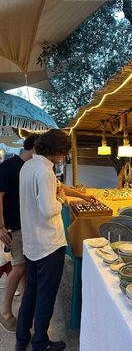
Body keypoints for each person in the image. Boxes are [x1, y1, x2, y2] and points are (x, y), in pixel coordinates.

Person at [16, 129, 71, 351]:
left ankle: (22, 336)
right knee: (46, 296)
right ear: (57, 151)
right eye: (64, 153)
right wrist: (62, 199)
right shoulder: (46, 172)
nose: (63, 158)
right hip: (48, 243)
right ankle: (40, 342)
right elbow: (49, 210)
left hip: (32, 241)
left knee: (31, 290)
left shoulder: (28, 166)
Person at [0, 134, 40, 333]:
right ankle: (5, 312)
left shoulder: (31, 168)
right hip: (14, 226)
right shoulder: (9, 166)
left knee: (26, 269)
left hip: (28, 225)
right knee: (19, 267)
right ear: (34, 148)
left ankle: (24, 312)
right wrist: (0, 226)